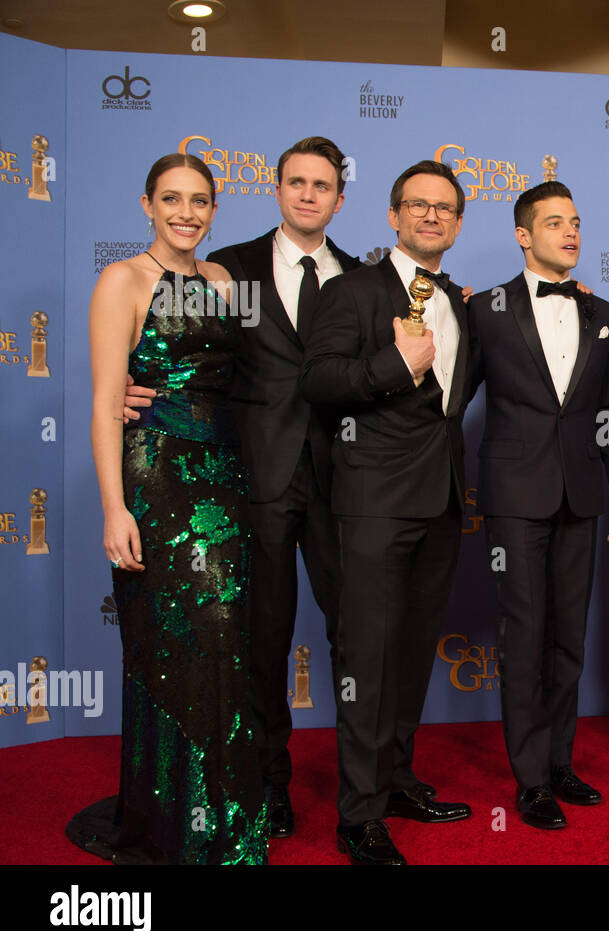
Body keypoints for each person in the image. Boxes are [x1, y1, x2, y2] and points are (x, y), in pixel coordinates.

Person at [125, 136, 360, 839]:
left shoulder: (362, 277)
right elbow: (194, 357)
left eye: (322, 185)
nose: (308, 194)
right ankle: (267, 786)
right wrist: (143, 386)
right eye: (296, 181)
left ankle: (366, 792)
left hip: (342, 484)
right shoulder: (232, 271)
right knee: (260, 642)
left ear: (339, 198)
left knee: (355, 639)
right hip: (249, 478)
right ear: (277, 189)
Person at [73, 153, 267, 863]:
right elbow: (103, 403)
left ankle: (218, 812)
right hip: (157, 477)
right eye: (172, 199)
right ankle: (171, 820)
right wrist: (113, 508)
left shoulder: (221, 280)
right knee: (173, 641)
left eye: (201, 201)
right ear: (147, 204)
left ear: (215, 210)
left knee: (224, 639)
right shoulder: (121, 279)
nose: (187, 212)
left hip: (223, 475)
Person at [299, 160, 473, 865]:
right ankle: (359, 815)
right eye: (417, 205)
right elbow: (318, 380)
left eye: (445, 209)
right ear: (394, 216)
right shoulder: (353, 291)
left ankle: (397, 780)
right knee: (366, 660)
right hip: (372, 502)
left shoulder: (461, 301)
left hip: (441, 502)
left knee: (408, 655)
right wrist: (392, 366)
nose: (431, 217)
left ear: (458, 224)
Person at [464, 181, 609, 830]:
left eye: (577, 222)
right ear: (523, 234)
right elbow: (454, 394)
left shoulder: (604, 314)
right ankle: (531, 779)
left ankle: (561, 763)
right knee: (525, 636)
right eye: (555, 221)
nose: (571, 232)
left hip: (584, 492)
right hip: (512, 496)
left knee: (569, 636)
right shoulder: (486, 309)